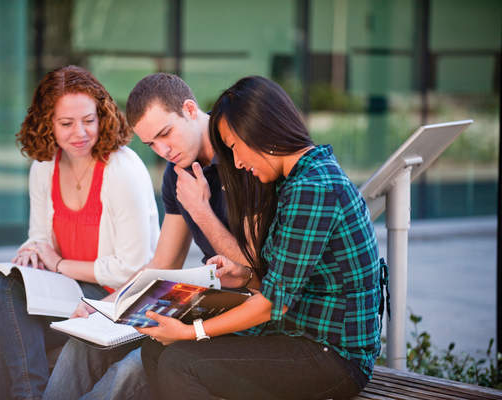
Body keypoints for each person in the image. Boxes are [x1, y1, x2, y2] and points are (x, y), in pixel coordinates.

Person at [138, 76, 385, 400]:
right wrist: (244, 274)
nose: (237, 162)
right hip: (293, 333)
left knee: (180, 363)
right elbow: (278, 279)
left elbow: (273, 303)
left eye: (235, 148)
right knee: (156, 349)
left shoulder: (312, 188)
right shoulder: (293, 180)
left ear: (261, 133)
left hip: (334, 356)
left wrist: (191, 331)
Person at [43, 73, 255, 400]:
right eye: (151, 144)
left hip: (245, 306)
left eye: (165, 134)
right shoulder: (177, 172)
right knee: (81, 343)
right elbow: (163, 262)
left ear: (189, 109)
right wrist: (107, 305)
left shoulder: (243, 155)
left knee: (131, 369)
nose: (162, 150)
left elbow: (252, 268)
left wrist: (200, 209)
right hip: (201, 296)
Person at [0, 65, 160, 400]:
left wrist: (59, 265)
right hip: (68, 292)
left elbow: (131, 266)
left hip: (116, 296)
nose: (80, 132)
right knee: (1, 284)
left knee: (0, 345)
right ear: (47, 123)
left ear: (102, 116)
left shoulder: (122, 170)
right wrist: (32, 252)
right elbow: (40, 236)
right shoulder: (44, 167)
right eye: (66, 123)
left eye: (89, 120)